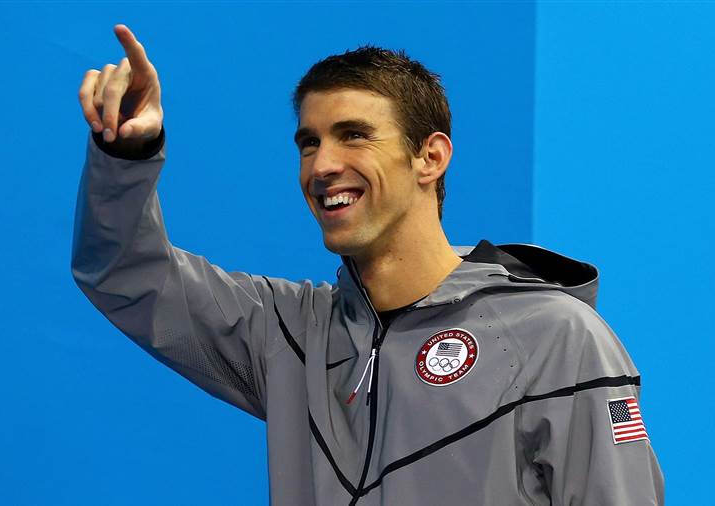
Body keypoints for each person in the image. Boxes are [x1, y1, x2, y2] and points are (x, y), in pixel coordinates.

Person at [73, 24, 664, 506]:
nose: (322, 165)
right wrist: (126, 153)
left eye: (353, 136)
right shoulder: (289, 335)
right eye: (309, 143)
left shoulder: (555, 337)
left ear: (429, 157)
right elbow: (126, 273)